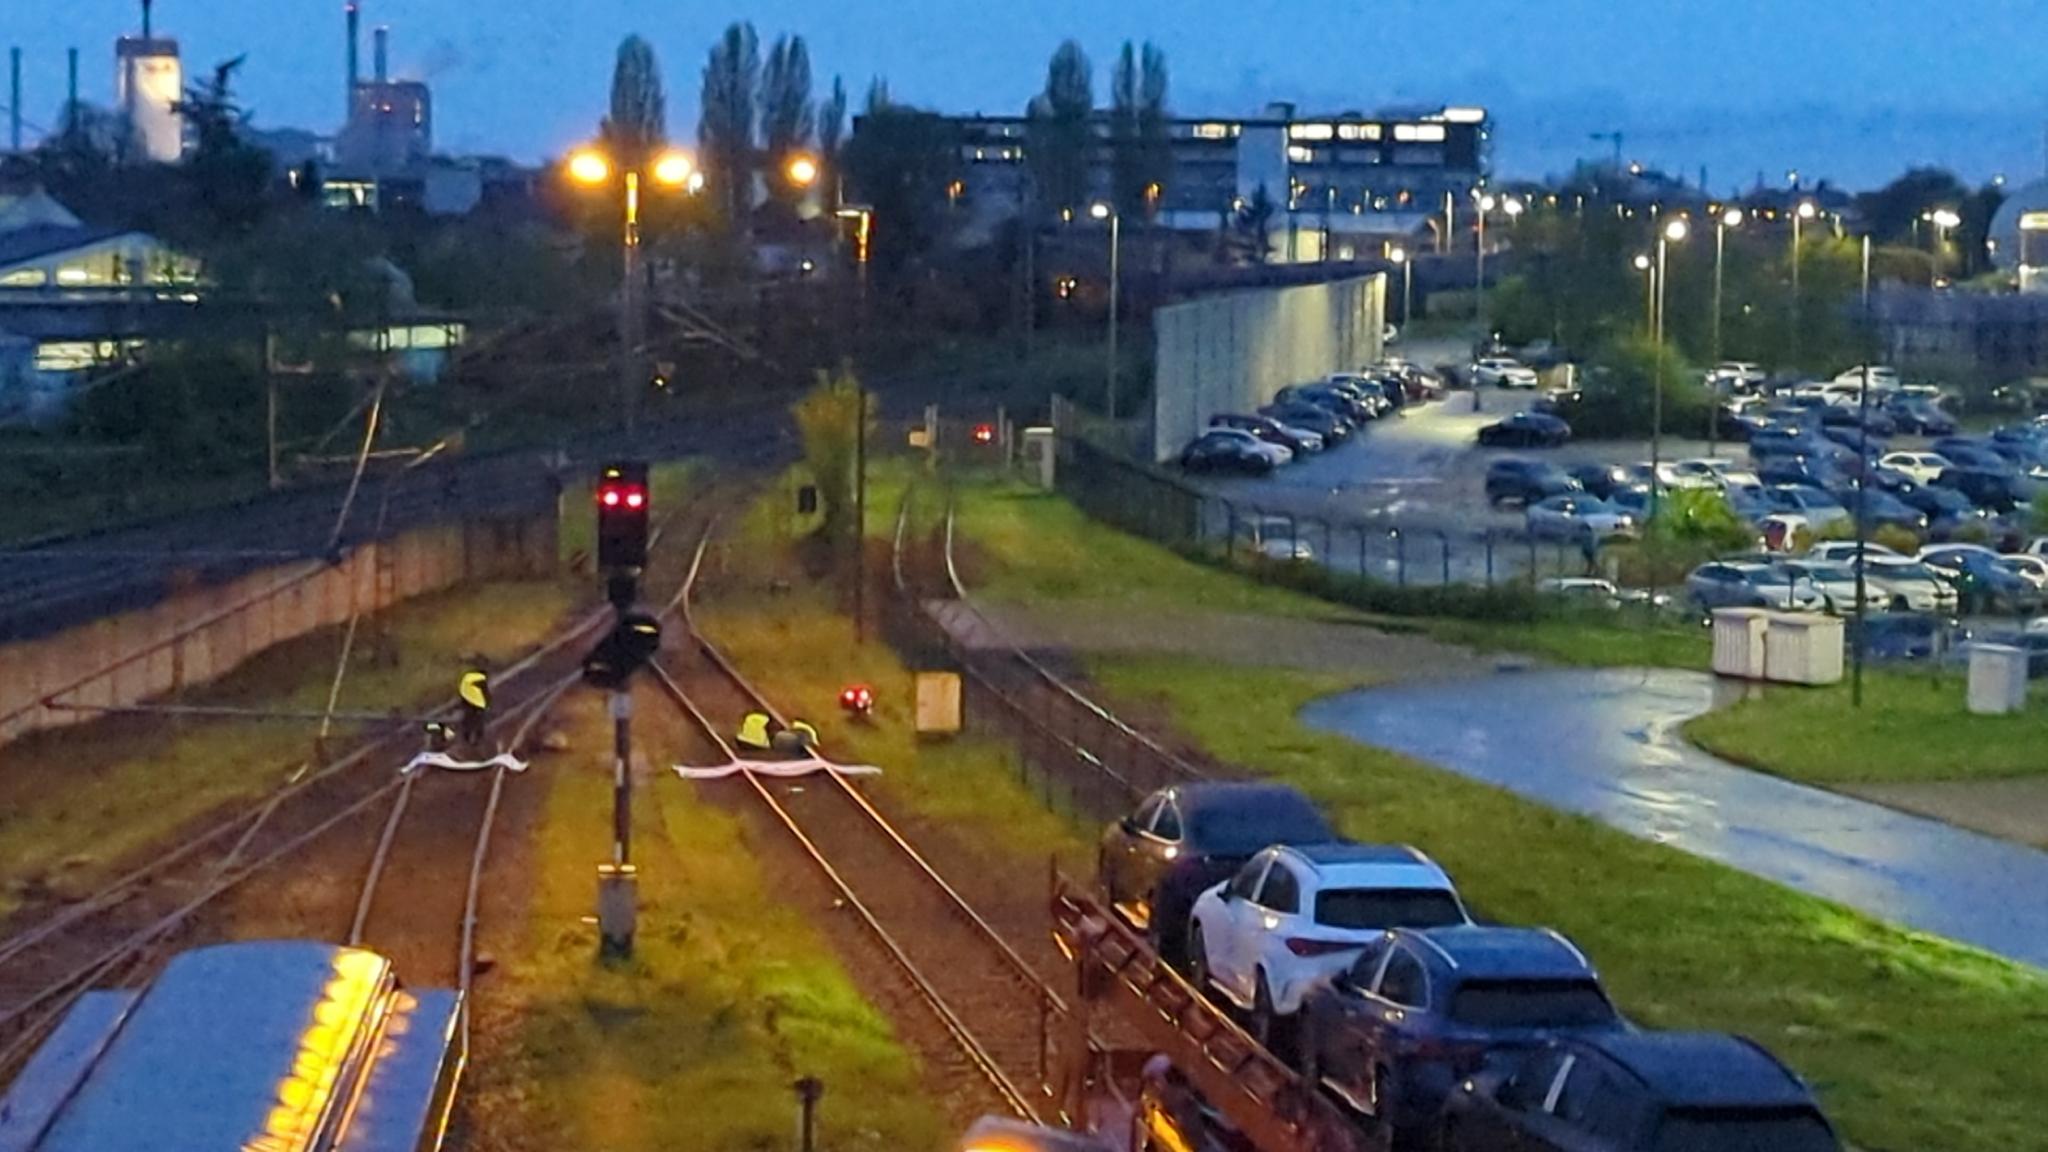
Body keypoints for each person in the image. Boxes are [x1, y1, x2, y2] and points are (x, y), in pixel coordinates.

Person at [458, 665, 490, 751]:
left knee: (468, 720)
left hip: (467, 702)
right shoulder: (482, 679)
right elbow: (485, 692)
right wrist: (488, 704)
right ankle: (478, 740)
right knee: (479, 721)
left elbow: (462, 689)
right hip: (478, 702)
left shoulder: (467, 677)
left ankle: (466, 738)